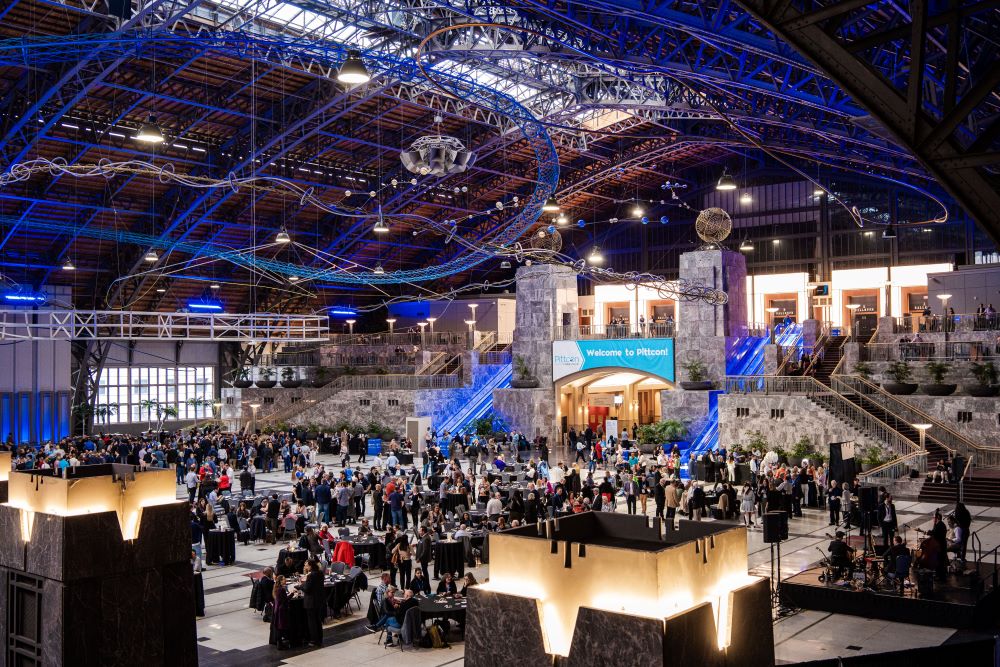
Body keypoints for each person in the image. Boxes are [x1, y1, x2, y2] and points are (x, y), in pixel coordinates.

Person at [298, 559, 326, 647]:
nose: (305, 567)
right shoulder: (320, 573)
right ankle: (320, 638)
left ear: (310, 566)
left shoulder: (311, 575)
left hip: (311, 602)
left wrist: (300, 586)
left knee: (312, 622)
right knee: (318, 620)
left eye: (306, 565)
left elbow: (307, 589)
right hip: (319, 600)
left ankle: (314, 640)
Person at [271, 575, 292, 649]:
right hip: (282, 611)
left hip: (278, 609)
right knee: (281, 627)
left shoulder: (277, 589)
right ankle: (280, 645)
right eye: (284, 579)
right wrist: (292, 594)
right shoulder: (281, 590)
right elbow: (285, 600)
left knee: (279, 627)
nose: (285, 580)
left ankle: (279, 643)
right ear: (280, 581)